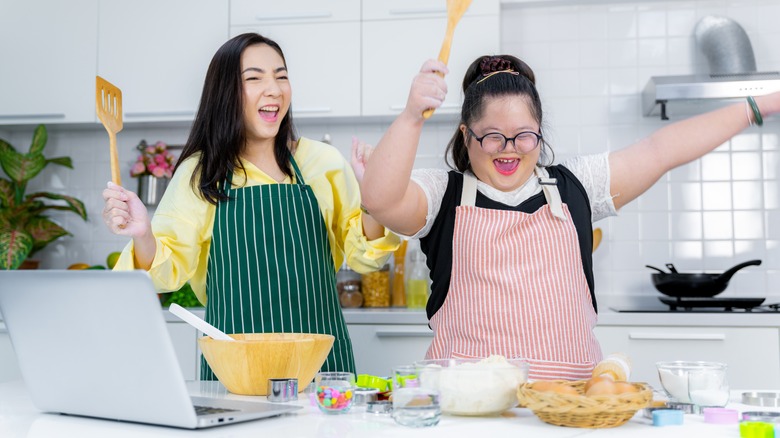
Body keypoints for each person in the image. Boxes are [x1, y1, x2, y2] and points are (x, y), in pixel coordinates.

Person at [358, 54, 780, 380]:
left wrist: (761, 105)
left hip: (573, 414)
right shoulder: (441, 194)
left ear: (540, 132)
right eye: (492, 136)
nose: (510, 148)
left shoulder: (576, 186)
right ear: (467, 136)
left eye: (525, 135)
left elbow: (661, 150)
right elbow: (379, 198)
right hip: (468, 418)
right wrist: (413, 114)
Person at [102, 33, 400, 378]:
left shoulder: (322, 162)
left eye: (281, 75)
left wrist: (372, 198)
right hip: (235, 374)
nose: (273, 89)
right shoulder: (200, 174)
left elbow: (366, 257)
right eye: (255, 78)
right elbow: (165, 273)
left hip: (321, 373)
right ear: (225, 93)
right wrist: (142, 233)